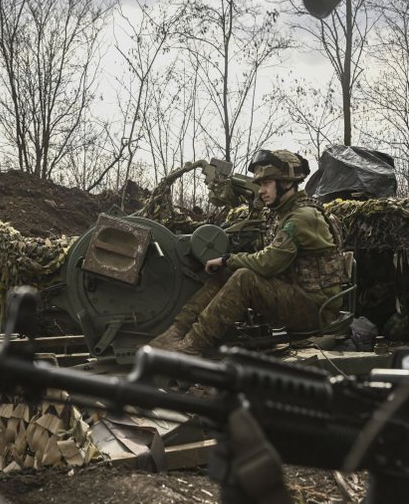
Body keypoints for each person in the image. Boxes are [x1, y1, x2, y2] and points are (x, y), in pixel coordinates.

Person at [149, 149, 347, 355]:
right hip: (300, 299)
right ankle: (176, 332)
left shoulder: (301, 217)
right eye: (260, 184)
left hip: (318, 311)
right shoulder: (285, 214)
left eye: (266, 183)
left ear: (287, 183)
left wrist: (229, 259)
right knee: (226, 273)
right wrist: (228, 262)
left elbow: (268, 263)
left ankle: (193, 343)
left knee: (244, 277)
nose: (261, 190)